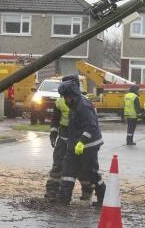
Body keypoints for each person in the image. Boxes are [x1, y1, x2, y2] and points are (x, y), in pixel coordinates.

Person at [54, 77, 105, 206]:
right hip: (75, 145)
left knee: (91, 173)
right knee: (68, 171)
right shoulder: (74, 104)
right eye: (64, 97)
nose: (65, 100)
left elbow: (91, 125)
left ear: (73, 95)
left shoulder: (83, 105)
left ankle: (103, 198)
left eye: (67, 97)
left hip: (88, 145)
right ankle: (63, 199)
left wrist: (82, 141)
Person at [45, 75, 92, 200]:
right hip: (64, 136)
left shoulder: (83, 101)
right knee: (58, 165)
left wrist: (84, 140)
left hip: (77, 137)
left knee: (82, 166)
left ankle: (87, 190)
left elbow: (90, 123)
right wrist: (53, 132)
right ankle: (52, 191)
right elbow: (55, 119)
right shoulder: (59, 101)